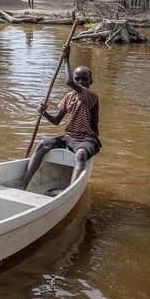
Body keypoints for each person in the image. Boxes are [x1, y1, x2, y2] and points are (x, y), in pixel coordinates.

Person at [19, 43, 100, 190]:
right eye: (78, 79)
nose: (81, 82)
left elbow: (68, 81)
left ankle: (70, 191)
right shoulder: (69, 97)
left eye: (85, 79)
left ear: (91, 81)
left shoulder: (91, 95)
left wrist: (66, 59)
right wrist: (44, 113)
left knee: (81, 155)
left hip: (87, 139)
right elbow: (56, 121)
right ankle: (23, 185)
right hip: (69, 137)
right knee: (41, 146)